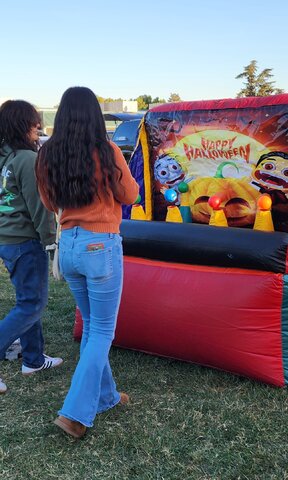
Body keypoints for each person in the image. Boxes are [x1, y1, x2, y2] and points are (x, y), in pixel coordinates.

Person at [35, 87, 139, 438]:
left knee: (93, 325)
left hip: (70, 247)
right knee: (102, 332)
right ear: (95, 115)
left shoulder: (47, 154)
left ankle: (106, 396)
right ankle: (75, 413)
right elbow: (130, 195)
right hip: (101, 245)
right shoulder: (107, 150)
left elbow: (49, 203)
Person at [0, 100, 62, 395]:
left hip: (9, 240)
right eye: (34, 123)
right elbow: (40, 208)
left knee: (29, 300)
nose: (38, 128)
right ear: (22, 125)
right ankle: (30, 357)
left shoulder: (7, 157)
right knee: (31, 304)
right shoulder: (26, 158)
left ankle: (34, 359)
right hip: (25, 242)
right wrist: (51, 242)